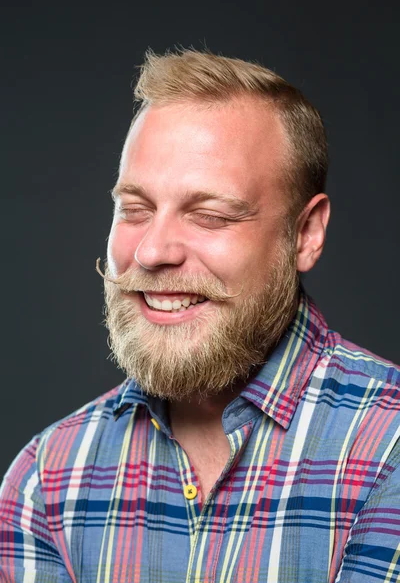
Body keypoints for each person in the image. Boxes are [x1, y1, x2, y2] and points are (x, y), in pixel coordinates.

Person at [1, 48, 400, 583]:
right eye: (134, 210)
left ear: (306, 234)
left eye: (209, 215)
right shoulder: (47, 481)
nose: (152, 251)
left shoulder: (388, 448)